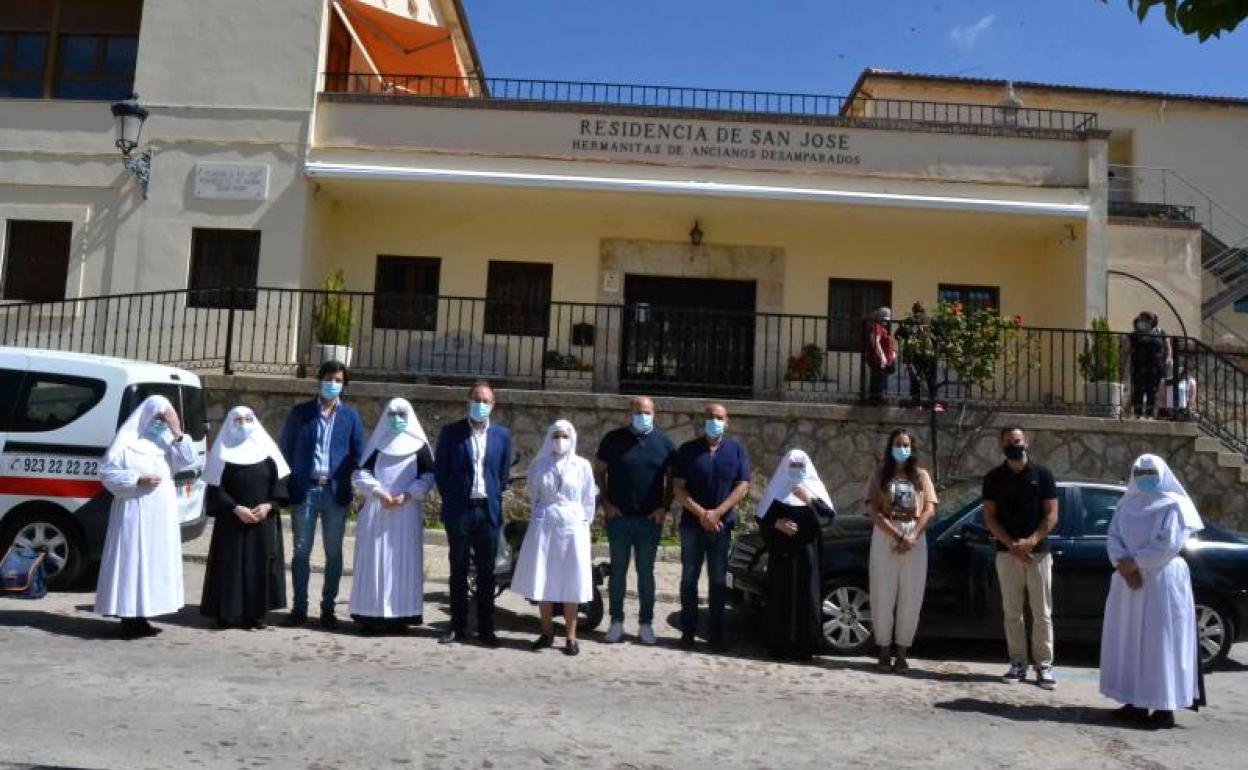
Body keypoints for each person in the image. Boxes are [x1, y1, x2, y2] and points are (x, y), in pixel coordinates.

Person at [1100, 454, 1206, 729]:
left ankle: (1163, 707)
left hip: (1161, 579)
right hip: (1128, 582)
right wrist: (1123, 564)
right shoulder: (1126, 505)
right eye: (1141, 471)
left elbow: (1169, 542)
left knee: (1161, 643)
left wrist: (1135, 564)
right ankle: (1135, 701)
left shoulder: (1174, 505)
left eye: (1150, 471)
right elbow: (1113, 537)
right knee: (1130, 640)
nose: (1145, 476)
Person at [94, 395, 196, 638]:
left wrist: (177, 429)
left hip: (159, 516)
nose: (161, 421)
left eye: (165, 417)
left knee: (152, 563)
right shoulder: (126, 443)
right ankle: (129, 617)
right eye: (158, 417)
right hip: (133, 511)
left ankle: (144, 614)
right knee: (131, 561)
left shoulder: (166, 442)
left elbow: (187, 459)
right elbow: (107, 473)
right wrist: (137, 479)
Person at [278, 360, 366, 630]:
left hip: (334, 492)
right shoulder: (300, 413)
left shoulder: (351, 417)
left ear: (344, 385)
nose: (333, 384)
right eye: (329, 378)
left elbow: (359, 455)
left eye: (338, 380)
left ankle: (328, 608)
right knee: (301, 552)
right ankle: (300, 607)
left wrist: (363, 487)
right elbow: (285, 449)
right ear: (320, 380)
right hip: (305, 490)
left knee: (333, 552)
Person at [435, 382, 512, 647]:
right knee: (458, 569)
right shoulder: (451, 433)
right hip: (460, 511)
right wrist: (455, 498)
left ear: (493, 405)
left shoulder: (502, 436)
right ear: (468, 401)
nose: (480, 404)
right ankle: (457, 626)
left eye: (485, 400)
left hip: (487, 512)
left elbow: (502, 476)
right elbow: (441, 473)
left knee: (487, 572)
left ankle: (486, 628)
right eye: (476, 399)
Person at [983, 425, 1060, 689]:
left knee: (1042, 612)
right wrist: (1012, 545)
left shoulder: (1043, 474)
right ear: (1001, 445)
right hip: (1007, 554)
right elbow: (990, 517)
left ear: (1025, 442)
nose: (1013, 445)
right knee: (1012, 612)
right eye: (1008, 442)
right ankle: (1017, 663)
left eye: (1017, 440)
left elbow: (1052, 514)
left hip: (1038, 554)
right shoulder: (993, 478)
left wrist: (1031, 541)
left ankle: (1044, 665)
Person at [200, 406, 291, 630]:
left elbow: (281, 485)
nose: (242, 424)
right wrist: (235, 508)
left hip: (262, 520)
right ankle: (228, 614)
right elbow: (214, 490)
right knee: (230, 566)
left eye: (247, 419)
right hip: (232, 521)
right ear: (230, 423)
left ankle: (255, 615)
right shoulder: (221, 452)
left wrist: (269, 505)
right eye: (237, 420)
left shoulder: (269, 452)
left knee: (258, 566)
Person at [349, 398, 434, 635]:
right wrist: (379, 492)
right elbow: (360, 473)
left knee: (402, 563)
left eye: (401, 414)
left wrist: (408, 495)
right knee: (375, 561)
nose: (397, 419)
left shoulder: (419, 446)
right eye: (393, 414)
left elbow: (428, 476)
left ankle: (401, 616)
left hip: (406, 513)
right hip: (378, 511)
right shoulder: (378, 444)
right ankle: (370, 615)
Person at [595, 395, 676, 645]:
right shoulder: (613, 439)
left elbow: (673, 481)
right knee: (618, 571)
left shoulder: (665, 444)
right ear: (630, 412)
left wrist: (664, 507)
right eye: (638, 411)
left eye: (647, 412)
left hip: (649, 521)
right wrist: (606, 503)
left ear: (654, 413)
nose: (643, 416)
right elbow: (599, 472)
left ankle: (646, 624)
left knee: (646, 574)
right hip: (618, 519)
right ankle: (616, 622)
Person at [512, 419, 597, 656]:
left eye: (565, 436)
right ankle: (546, 631)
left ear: (572, 438)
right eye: (556, 435)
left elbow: (589, 498)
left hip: (573, 528)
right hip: (545, 525)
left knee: (572, 582)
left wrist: (581, 522)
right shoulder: (539, 465)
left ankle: (571, 636)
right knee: (544, 579)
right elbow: (534, 495)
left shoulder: (582, 466)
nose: (560, 441)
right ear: (550, 438)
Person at [673, 402, 751, 652]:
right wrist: (702, 514)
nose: (714, 421)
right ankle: (687, 632)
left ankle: (715, 634)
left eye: (719, 417)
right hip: (691, 527)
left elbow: (743, 486)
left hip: (722, 527)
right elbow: (678, 487)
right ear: (702, 420)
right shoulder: (688, 450)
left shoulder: (736, 450)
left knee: (718, 582)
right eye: (710, 417)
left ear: (727, 422)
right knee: (688, 579)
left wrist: (717, 513)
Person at [864, 428, 937, 673]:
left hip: (914, 536)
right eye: (897, 444)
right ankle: (883, 649)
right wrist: (896, 534)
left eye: (906, 445)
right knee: (882, 591)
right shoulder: (879, 474)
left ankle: (903, 650)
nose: (902, 449)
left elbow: (929, 508)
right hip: (886, 532)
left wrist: (912, 535)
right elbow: (872, 509)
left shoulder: (921, 476)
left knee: (911, 593)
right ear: (890, 446)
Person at [756, 449, 835, 661]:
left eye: (800, 467)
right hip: (781, 554)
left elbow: (828, 518)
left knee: (806, 596)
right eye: (793, 466)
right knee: (780, 595)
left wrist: (810, 499)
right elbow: (762, 520)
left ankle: (805, 645)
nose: (796, 470)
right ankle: (779, 645)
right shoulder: (777, 490)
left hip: (807, 554)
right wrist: (776, 524)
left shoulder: (814, 490)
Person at [896, 302, 942, 412]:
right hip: (929, 353)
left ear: (913, 310)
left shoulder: (909, 320)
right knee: (931, 378)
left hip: (914, 354)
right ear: (924, 310)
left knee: (915, 379)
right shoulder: (930, 320)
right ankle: (934, 404)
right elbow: (939, 336)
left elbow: (897, 335)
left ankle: (916, 404)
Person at [1124, 311, 1171, 419]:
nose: (1142, 322)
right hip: (1139, 366)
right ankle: (1138, 413)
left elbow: (1168, 348)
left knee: (1153, 390)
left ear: (1152, 322)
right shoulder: (1135, 334)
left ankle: (1150, 414)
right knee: (1138, 390)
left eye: (1145, 320)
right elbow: (1126, 349)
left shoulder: (1161, 333)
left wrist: (1168, 358)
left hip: (1155, 367)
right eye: (1141, 320)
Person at [864, 306, 896, 406]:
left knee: (880, 380)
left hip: (883, 360)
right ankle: (875, 400)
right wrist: (882, 356)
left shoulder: (882, 328)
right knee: (877, 380)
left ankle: (878, 398)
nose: (887, 321)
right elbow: (875, 341)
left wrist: (892, 354)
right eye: (885, 318)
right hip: (877, 359)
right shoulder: (876, 327)